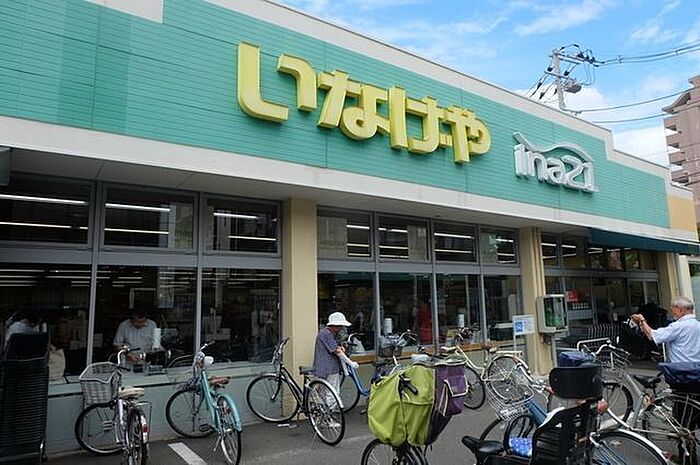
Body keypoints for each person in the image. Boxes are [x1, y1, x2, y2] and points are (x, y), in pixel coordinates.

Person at [631, 296, 700, 364]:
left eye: (673, 310)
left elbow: (652, 335)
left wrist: (641, 319)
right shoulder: (698, 325)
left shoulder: (677, 326)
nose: (673, 313)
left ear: (680, 310)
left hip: (681, 368)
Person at [313, 312, 352, 404]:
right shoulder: (327, 334)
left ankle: (322, 410)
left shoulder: (327, 333)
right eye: (340, 326)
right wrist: (350, 362)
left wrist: (340, 348)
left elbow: (336, 347)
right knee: (332, 391)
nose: (341, 328)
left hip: (322, 368)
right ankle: (330, 411)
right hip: (330, 368)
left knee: (323, 392)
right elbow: (336, 350)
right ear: (335, 325)